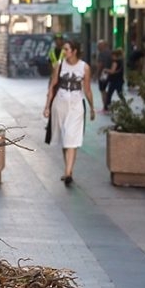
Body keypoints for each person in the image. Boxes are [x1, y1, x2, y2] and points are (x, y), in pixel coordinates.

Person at [42, 39, 95, 186]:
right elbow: (52, 86)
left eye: (66, 49)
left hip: (77, 104)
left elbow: (88, 89)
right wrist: (47, 106)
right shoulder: (59, 65)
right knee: (65, 138)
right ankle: (68, 170)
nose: (64, 52)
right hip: (60, 103)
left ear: (74, 51)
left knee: (72, 137)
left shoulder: (84, 67)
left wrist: (91, 107)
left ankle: (68, 172)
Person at [104, 42, 126, 109]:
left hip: (114, 80)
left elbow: (112, 71)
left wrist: (106, 70)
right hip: (119, 80)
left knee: (109, 94)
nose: (111, 57)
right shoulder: (121, 61)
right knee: (120, 94)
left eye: (112, 55)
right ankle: (125, 105)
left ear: (114, 55)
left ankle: (107, 107)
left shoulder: (115, 62)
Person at [95, 40, 112, 112]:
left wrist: (97, 74)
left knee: (102, 90)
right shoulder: (110, 52)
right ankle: (107, 105)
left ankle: (105, 106)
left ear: (103, 45)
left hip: (103, 73)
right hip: (110, 73)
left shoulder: (101, 53)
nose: (97, 47)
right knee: (105, 89)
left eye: (99, 46)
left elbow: (100, 64)